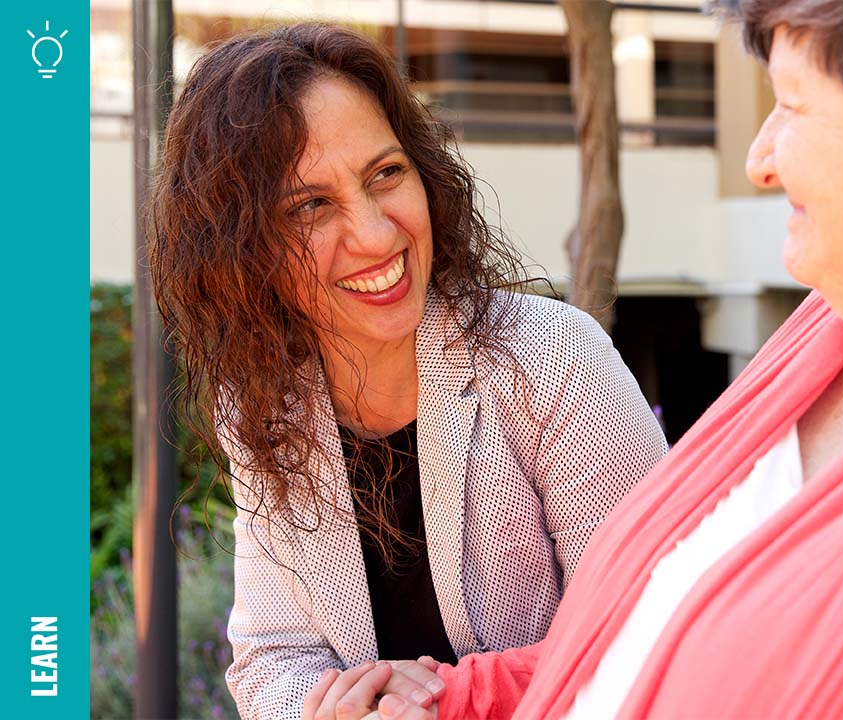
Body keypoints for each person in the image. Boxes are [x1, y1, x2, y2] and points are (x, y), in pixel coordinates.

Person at [348, 0, 843, 717]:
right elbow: (656, 637)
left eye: (791, 103)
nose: (760, 159)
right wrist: (459, 698)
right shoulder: (839, 320)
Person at [147, 23, 668, 720]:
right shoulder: (261, 404)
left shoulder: (552, 358)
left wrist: (448, 701)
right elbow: (272, 657)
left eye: (385, 174)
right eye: (310, 206)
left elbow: (649, 620)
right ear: (242, 249)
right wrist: (326, 712)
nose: (376, 234)